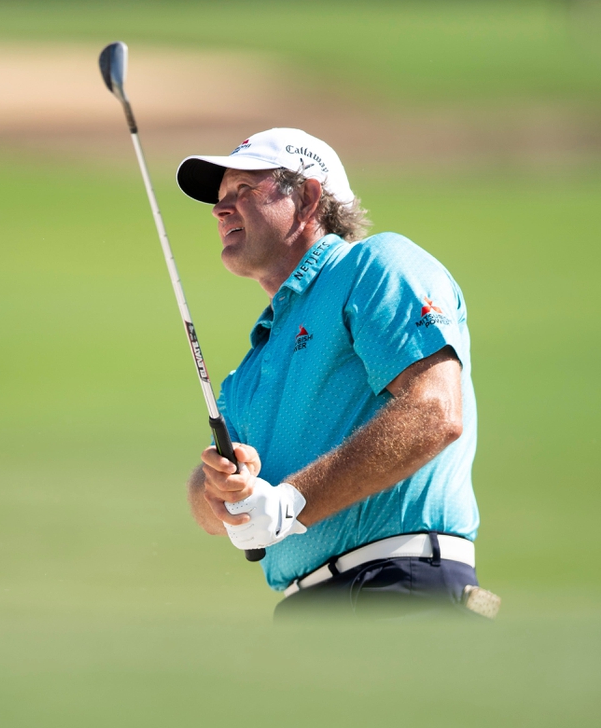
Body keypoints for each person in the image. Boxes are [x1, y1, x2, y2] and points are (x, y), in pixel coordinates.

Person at [176, 127, 498, 619]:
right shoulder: (251, 366)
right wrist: (218, 490)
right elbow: (209, 507)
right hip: (307, 608)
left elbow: (435, 411)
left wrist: (289, 503)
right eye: (220, 198)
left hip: (399, 584)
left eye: (244, 190)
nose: (221, 209)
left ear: (307, 198)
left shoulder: (376, 265)